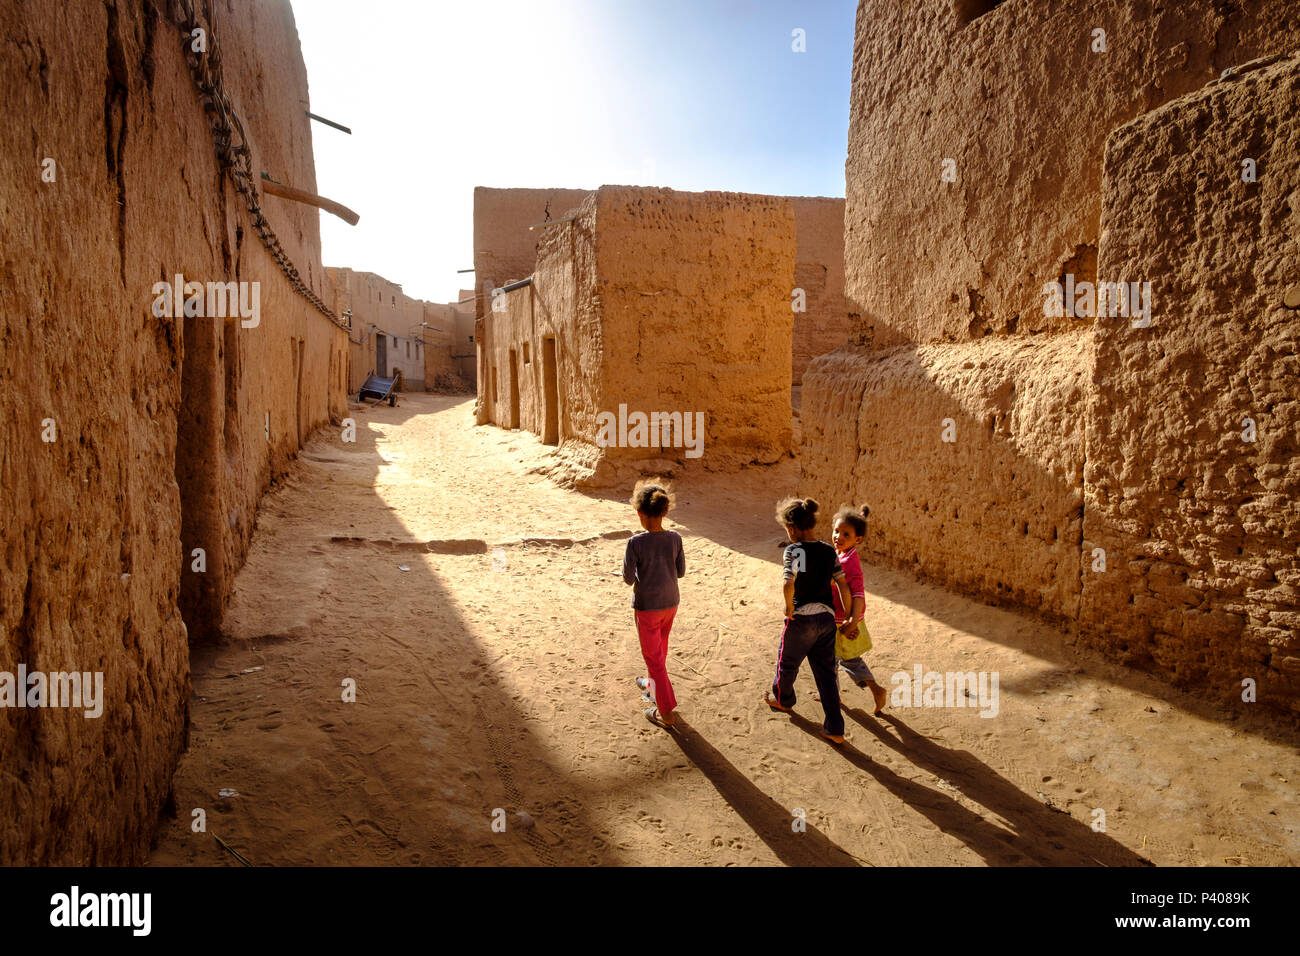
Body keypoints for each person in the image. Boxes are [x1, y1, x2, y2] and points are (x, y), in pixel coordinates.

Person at [765, 497, 851, 744]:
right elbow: (842, 583)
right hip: (826, 619)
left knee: (787, 662)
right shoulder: (827, 551)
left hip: (802, 619)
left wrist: (789, 606)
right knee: (826, 673)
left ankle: (783, 699)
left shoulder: (796, 550)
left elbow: (788, 581)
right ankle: (835, 727)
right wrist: (844, 614)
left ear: (792, 528)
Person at [622, 480, 686, 730]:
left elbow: (628, 579)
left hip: (647, 606)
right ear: (665, 511)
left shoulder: (635, 543)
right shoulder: (675, 538)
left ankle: (666, 713)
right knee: (660, 650)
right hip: (671, 603)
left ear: (639, 513)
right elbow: (680, 572)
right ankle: (652, 686)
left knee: (653, 658)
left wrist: (642, 576)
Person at [831, 505, 888, 715]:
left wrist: (852, 621)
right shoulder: (842, 555)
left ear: (858, 540)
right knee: (848, 658)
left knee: (830, 658)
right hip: (842, 618)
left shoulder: (849, 562)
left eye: (846, 534)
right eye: (837, 531)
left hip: (843, 621)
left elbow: (858, 594)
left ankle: (832, 696)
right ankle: (876, 689)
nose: (838, 536)